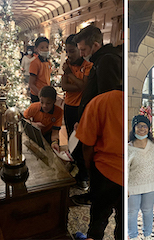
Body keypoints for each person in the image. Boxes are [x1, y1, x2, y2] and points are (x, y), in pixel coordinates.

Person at [71, 24, 122, 206]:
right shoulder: (100, 60)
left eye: (84, 49)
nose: (82, 54)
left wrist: (89, 123)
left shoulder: (107, 60)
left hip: (99, 128)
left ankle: (95, 198)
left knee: (95, 166)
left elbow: (106, 100)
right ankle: (93, 194)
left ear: (95, 45)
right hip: (90, 122)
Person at [75, 89, 123, 240]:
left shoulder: (99, 101)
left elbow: (86, 145)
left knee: (98, 221)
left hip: (105, 172)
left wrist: (90, 169)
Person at [61, 34, 93, 190]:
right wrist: (75, 82)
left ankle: (84, 176)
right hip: (69, 106)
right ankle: (75, 169)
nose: (69, 55)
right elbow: (64, 86)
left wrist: (71, 75)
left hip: (82, 107)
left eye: (72, 51)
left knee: (81, 141)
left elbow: (85, 87)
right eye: (67, 51)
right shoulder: (68, 64)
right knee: (71, 139)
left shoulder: (87, 65)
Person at [128, 115, 154, 240]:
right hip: (133, 187)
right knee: (132, 213)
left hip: (151, 185)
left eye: (144, 126)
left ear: (149, 128)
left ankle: (148, 235)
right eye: (139, 126)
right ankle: (133, 236)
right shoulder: (128, 147)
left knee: (147, 211)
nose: (142, 129)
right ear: (134, 128)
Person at [23, 86, 63, 151]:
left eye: (48, 103)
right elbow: (23, 119)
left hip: (49, 135)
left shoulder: (59, 112)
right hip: (35, 133)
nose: (44, 106)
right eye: (42, 102)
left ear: (54, 101)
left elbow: (55, 132)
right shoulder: (33, 107)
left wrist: (54, 142)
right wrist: (33, 124)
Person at [29, 37, 51, 103]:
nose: (45, 50)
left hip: (46, 93)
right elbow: (31, 83)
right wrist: (40, 95)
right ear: (36, 49)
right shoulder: (35, 63)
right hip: (37, 95)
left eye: (47, 47)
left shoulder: (48, 62)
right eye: (42, 48)